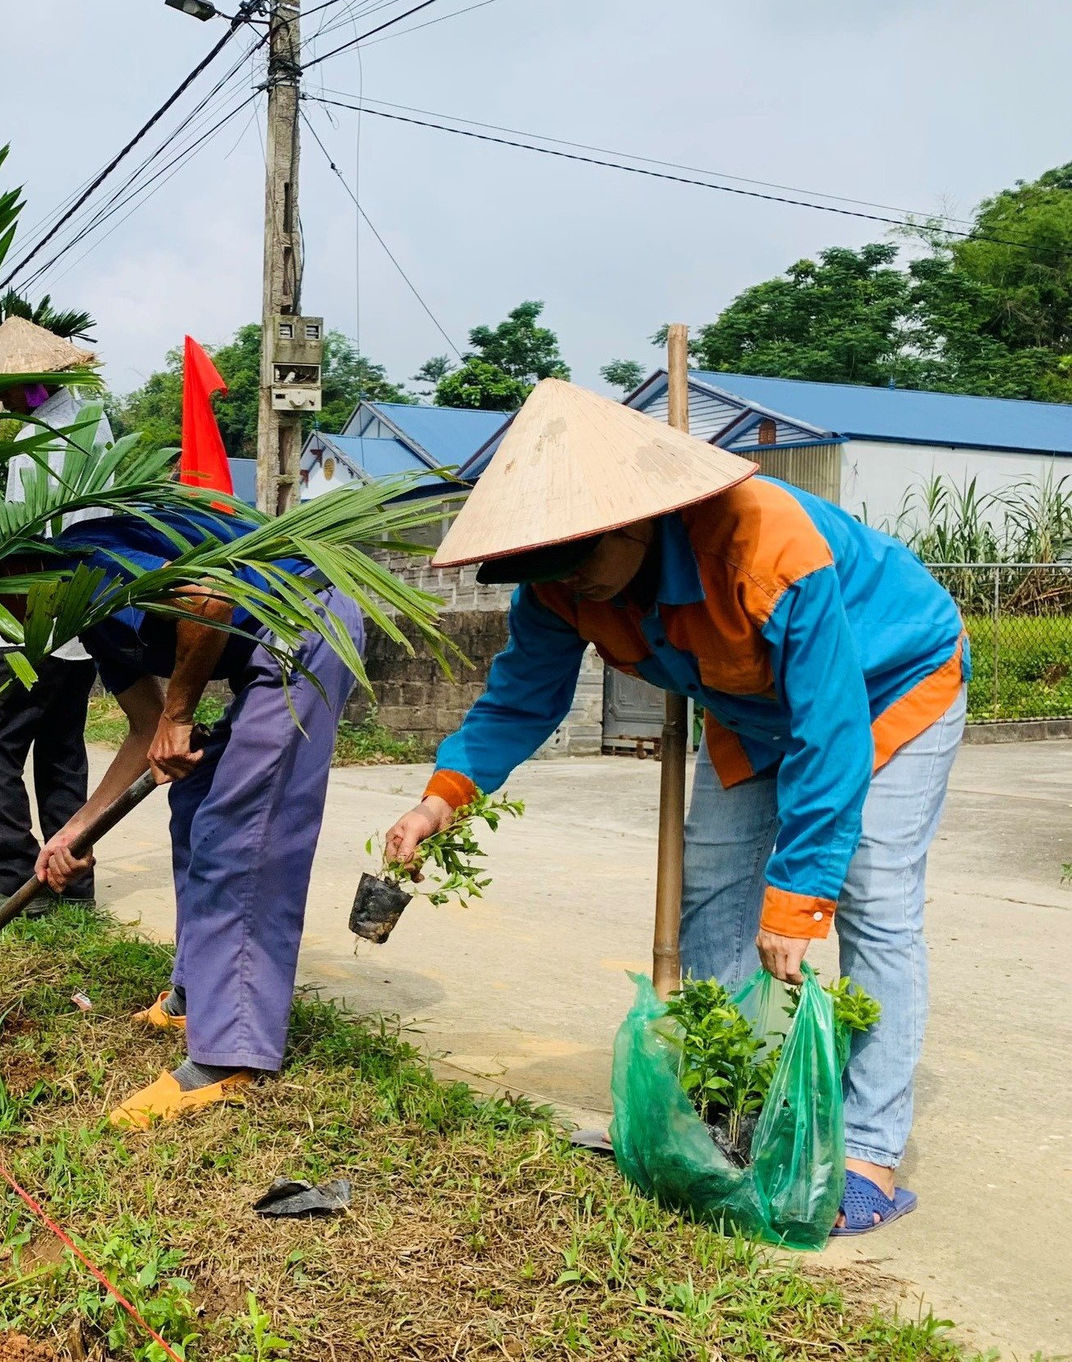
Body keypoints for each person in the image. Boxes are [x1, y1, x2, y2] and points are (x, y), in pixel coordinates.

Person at [381, 379, 966, 1237]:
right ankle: (721, 1111)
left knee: (868, 901)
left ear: (630, 522)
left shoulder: (766, 547)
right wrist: (442, 798)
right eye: (548, 570)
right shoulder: (557, 583)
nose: (569, 587)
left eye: (578, 564)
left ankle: (870, 1151)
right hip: (749, 709)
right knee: (714, 898)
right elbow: (521, 698)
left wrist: (803, 892)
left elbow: (832, 729)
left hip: (886, 689)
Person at [27, 507, 364, 1131]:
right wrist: (76, 830)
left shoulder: (91, 563)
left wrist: (180, 714)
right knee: (193, 807)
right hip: (264, 643)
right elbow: (142, 730)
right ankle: (195, 995)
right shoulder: (92, 624)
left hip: (305, 625)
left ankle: (230, 1055)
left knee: (241, 833)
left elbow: (208, 602)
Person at [0, 378, 114, 921]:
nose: (2, 401)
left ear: (32, 384)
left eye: (9, 390)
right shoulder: (91, 420)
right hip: (84, 619)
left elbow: (32, 532)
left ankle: (12, 874)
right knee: (60, 751)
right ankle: (72, 878)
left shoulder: (44, 437)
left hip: (40, 622)